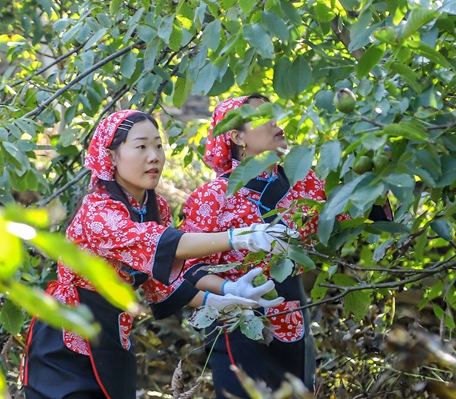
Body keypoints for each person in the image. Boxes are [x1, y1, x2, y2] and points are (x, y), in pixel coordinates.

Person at [21, 109, 294, 399]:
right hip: (65, 340)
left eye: (158, 145)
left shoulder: (155, 208)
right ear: (111, 156)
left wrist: (222, 296)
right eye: (141, 146)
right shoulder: (98, 212)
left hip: (113, 334)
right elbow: (161, 244)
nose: (154, 157)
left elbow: (161, 283)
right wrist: (238, 237)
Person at [179, 94, 391, 398]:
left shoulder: (304, 180)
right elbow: (191, 270)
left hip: (292, 310)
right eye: (264, 117)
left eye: (275, 114)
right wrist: (231, 291)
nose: (276, 124)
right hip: (238, 319)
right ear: (237, 136)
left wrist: (378, 167)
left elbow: (351, 210)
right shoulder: (211, 198)